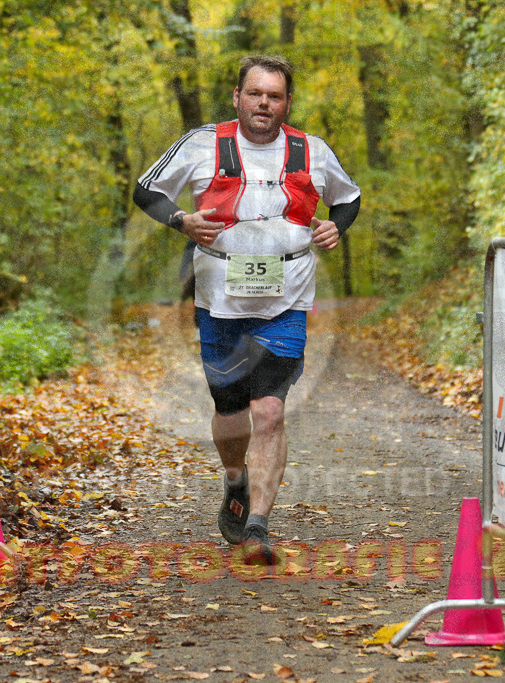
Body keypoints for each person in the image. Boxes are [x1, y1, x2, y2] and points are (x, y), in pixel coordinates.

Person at [133, 55, 361, 564]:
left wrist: (335, 227)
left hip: (287, 295)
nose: (264, 104)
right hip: (219, 293)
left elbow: (349, 198)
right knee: (231, 410)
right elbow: (144, 189)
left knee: (270, 409)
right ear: (237, 97)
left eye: (275, 96)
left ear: (286, 103)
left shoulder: (311, 150)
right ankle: (235, 480)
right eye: (255, 94)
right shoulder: (201, 144)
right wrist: (181, 221)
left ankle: (258, 524)